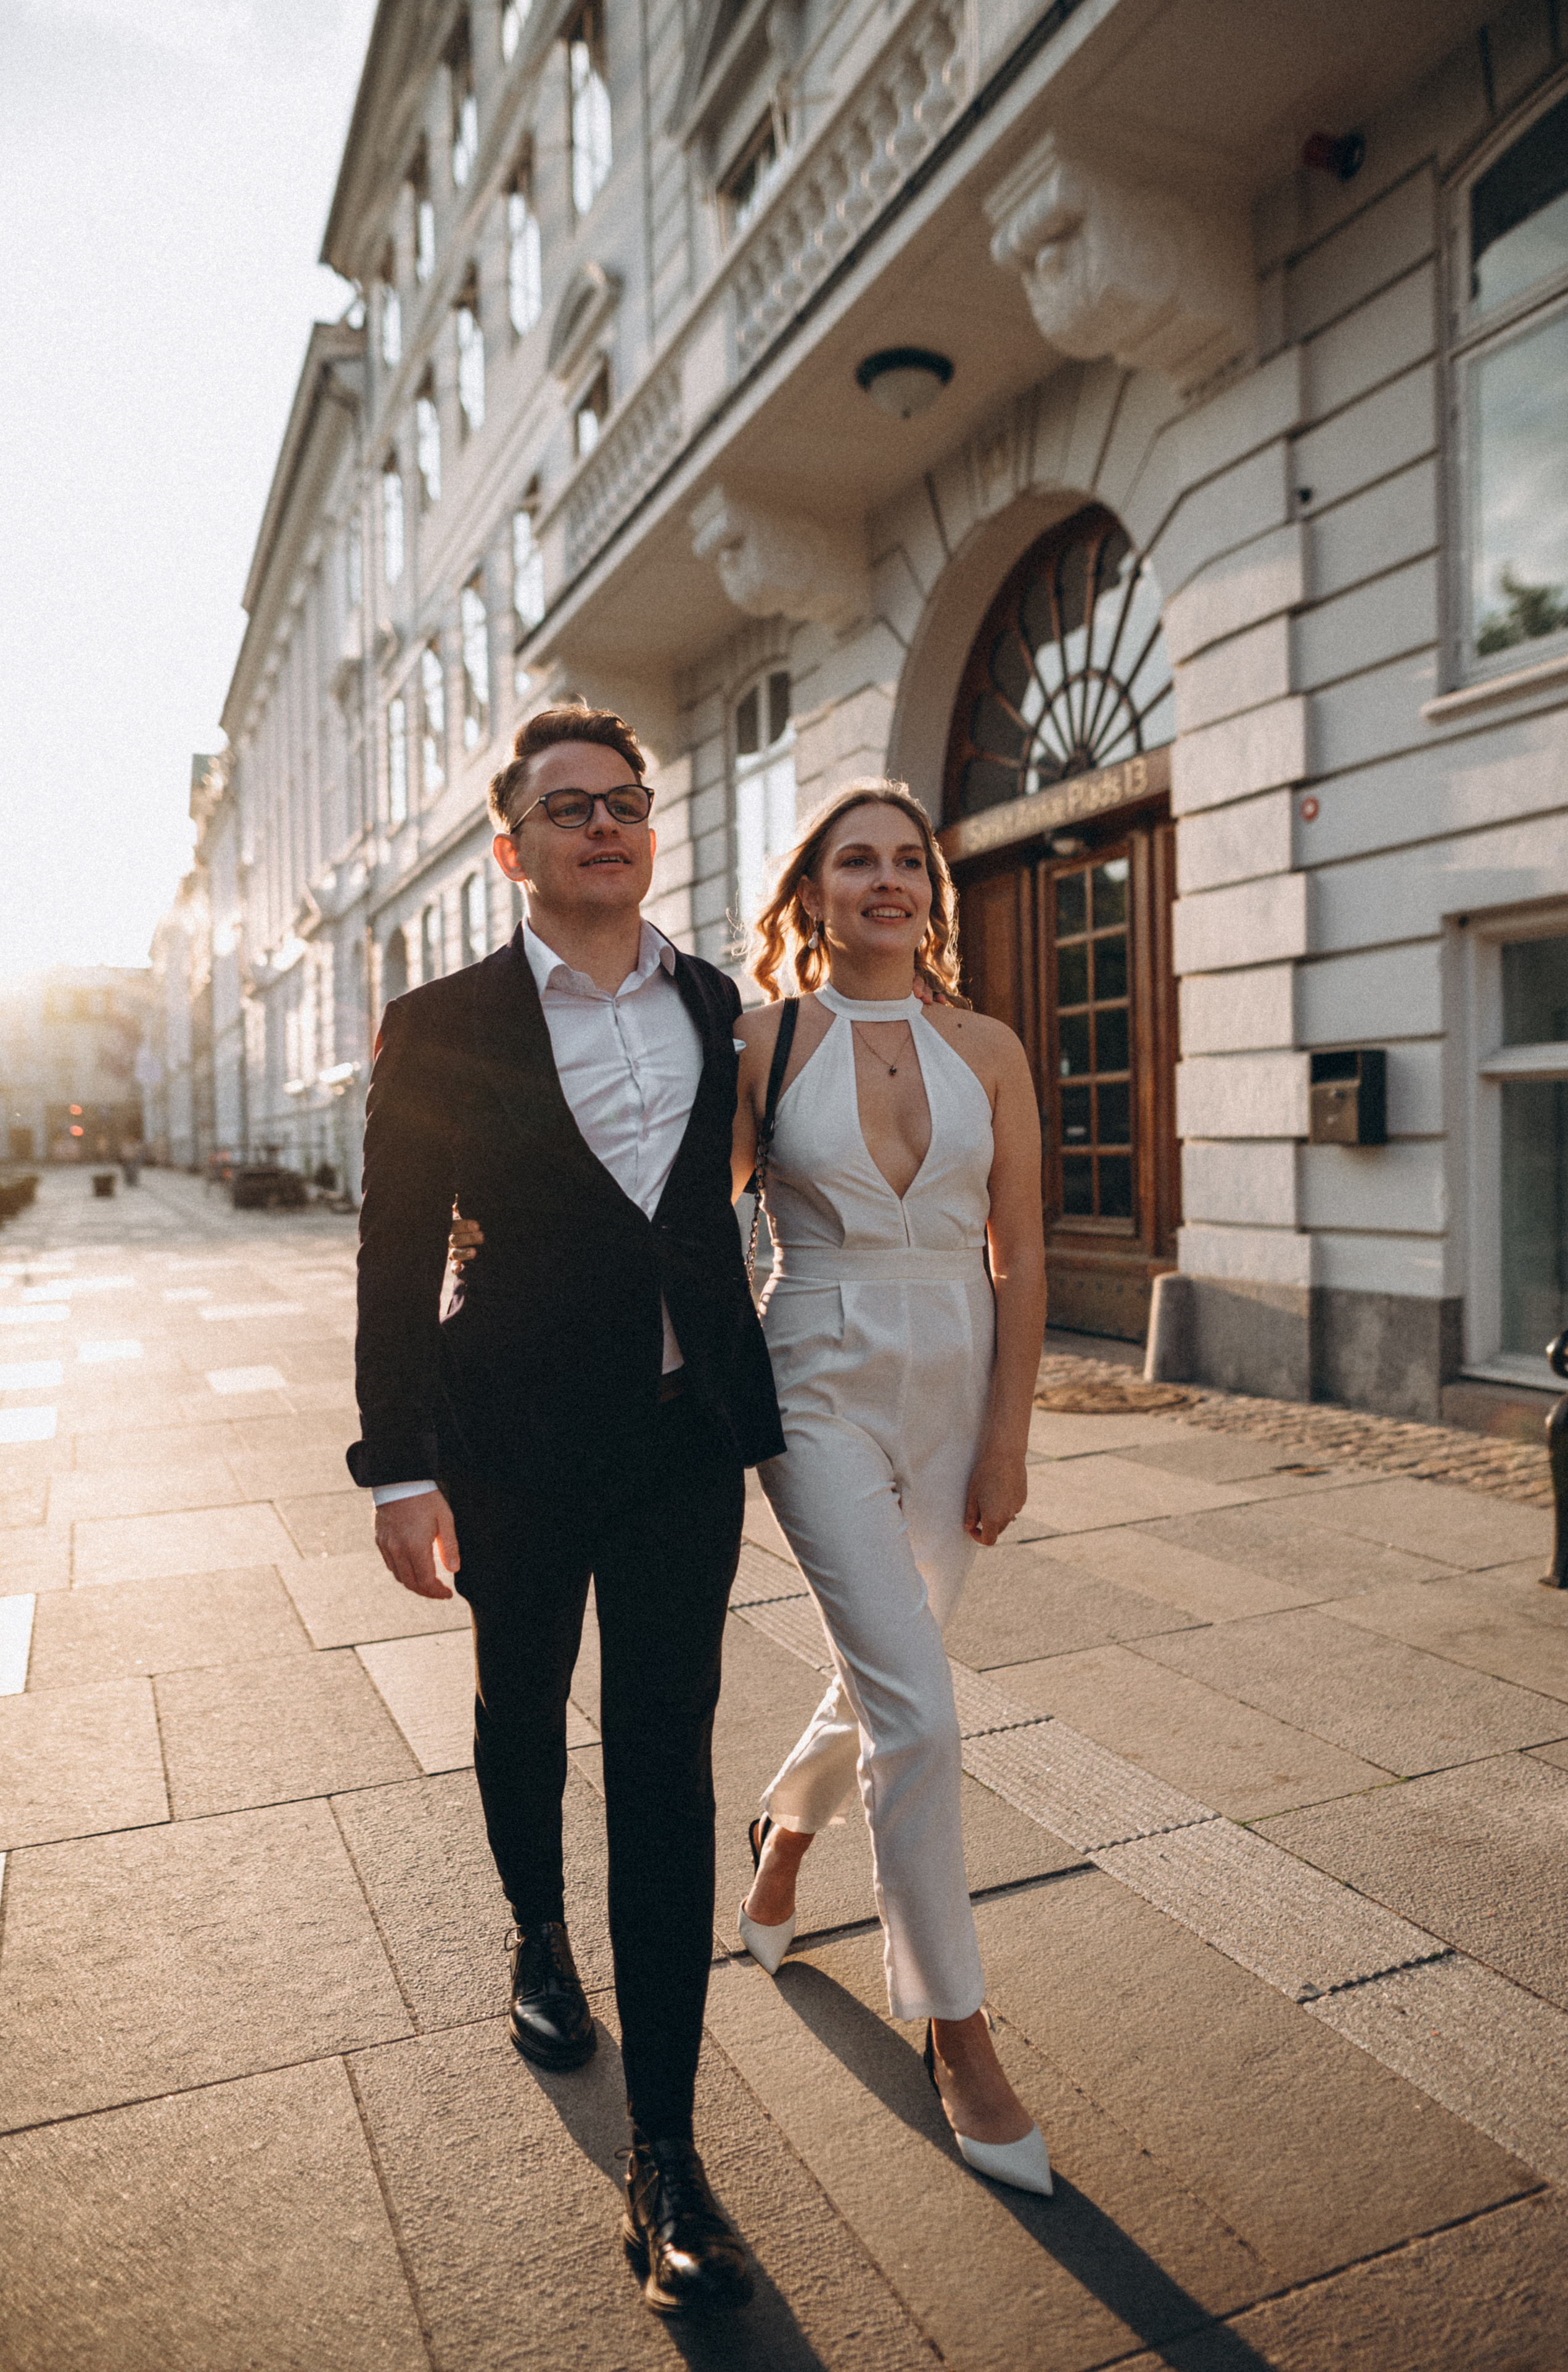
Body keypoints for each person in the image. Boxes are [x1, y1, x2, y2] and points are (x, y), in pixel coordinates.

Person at [349, 704, 783, 2315]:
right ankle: (538, 1932)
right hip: (512, 1447)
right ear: (512, 846)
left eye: (626, 802)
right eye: (569, 806)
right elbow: (394, 1260)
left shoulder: (716, 1002)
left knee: (666, 1772)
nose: (604, 825)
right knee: (520, 1707)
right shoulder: (440, 1021)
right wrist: (396, 1467)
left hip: (681, 1448)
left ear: (650, 831)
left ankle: (662, 2157)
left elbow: (709, 1211)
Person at [732, 781, 1054, 2196]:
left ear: (932, 888)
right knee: (919, 1709)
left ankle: (785, 1826)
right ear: (808, 893)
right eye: (852, 860)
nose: (884, 880)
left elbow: (1022, 1253)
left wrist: (1008, 1434)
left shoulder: (984, 1045)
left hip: (957, 1378)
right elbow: (687, 1222)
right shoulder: (762, 1039)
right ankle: (955, 2024)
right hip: (813, 1373)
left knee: (891, 1669)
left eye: (905, 859)